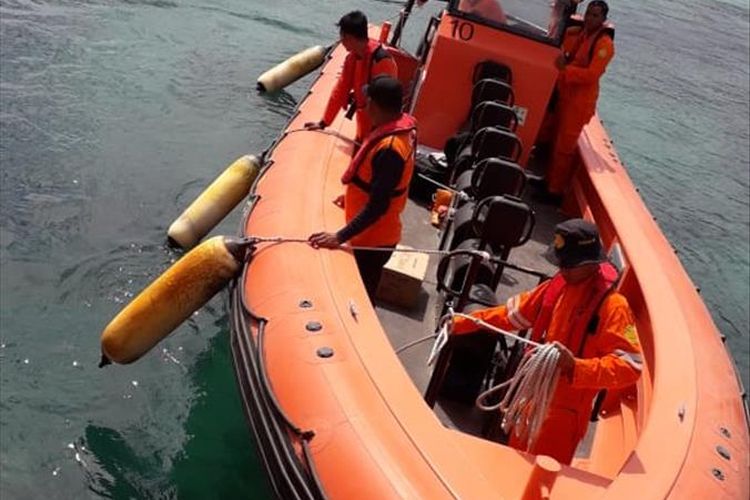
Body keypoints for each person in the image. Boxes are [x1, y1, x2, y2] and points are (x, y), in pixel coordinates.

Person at [450, 218, 642, 464]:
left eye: (568, 264)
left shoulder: (614, 308)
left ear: (590, 264)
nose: (562, 268)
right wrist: (462, 322)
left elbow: (631, 367)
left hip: (563, 420)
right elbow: (513, 314)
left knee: (539, 477)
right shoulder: (558, 286)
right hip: (530, 401)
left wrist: (575, 367)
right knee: (513, 463)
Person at [308, 76, 417, 300]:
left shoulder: (389, 150)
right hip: (373, 237)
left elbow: (378, 206)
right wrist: (351, 197)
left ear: (374, 105)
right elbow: (377, 186)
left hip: (372, 243)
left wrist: (339, 236)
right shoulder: (395, 133)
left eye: (368, 100)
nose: (365, 105)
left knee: (359, 299)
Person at [543, 0, 614, 203]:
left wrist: (566, 71)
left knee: (564, 148)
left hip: (579, 103)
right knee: (555, 141)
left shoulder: (604, 45)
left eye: (595, 16)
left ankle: (554, 192)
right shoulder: (582, 35)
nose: (590, 18)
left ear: (603, 19)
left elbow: (592, 75)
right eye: (589, 14)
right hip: (567, 96)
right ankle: (547, 181)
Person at [304, 10, 398, 142]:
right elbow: (340, 89)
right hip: (363, 124)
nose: (341, 41)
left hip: (378, 131)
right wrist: (323, 123)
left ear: (348, 37)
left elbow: (387, 106)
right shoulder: (352, 58)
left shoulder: (381, 61)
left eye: (341, 37)